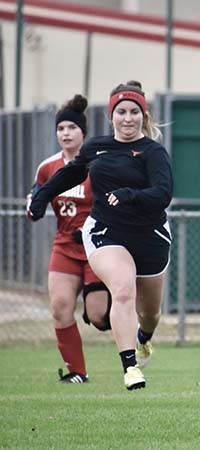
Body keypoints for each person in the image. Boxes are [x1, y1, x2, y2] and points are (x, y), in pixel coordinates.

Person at [28, 81, 173, 391]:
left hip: (149, 236)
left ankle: (144, 337)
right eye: (121, 112)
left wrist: (130, 194)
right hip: (108, 232)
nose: (128, 118)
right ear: (112, 115)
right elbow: (70, 173)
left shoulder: (153, 152)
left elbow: (163, 194)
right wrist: (41, 196)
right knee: (122, 291)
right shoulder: (96, 147)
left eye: (134, 112)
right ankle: (130, 367)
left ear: (143, 116)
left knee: (150, 313)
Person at [26, 94, 112, 384]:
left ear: (83, 133)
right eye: (61, 129)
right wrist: (34, 205)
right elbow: (36, 196)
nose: (65, 133)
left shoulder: (96, 165)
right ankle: (77, 372)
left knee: (99, 317)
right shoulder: (48, 167)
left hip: (95, 245)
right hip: (64, 245)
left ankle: (123, 316)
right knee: (60, 307)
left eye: (71, 128)